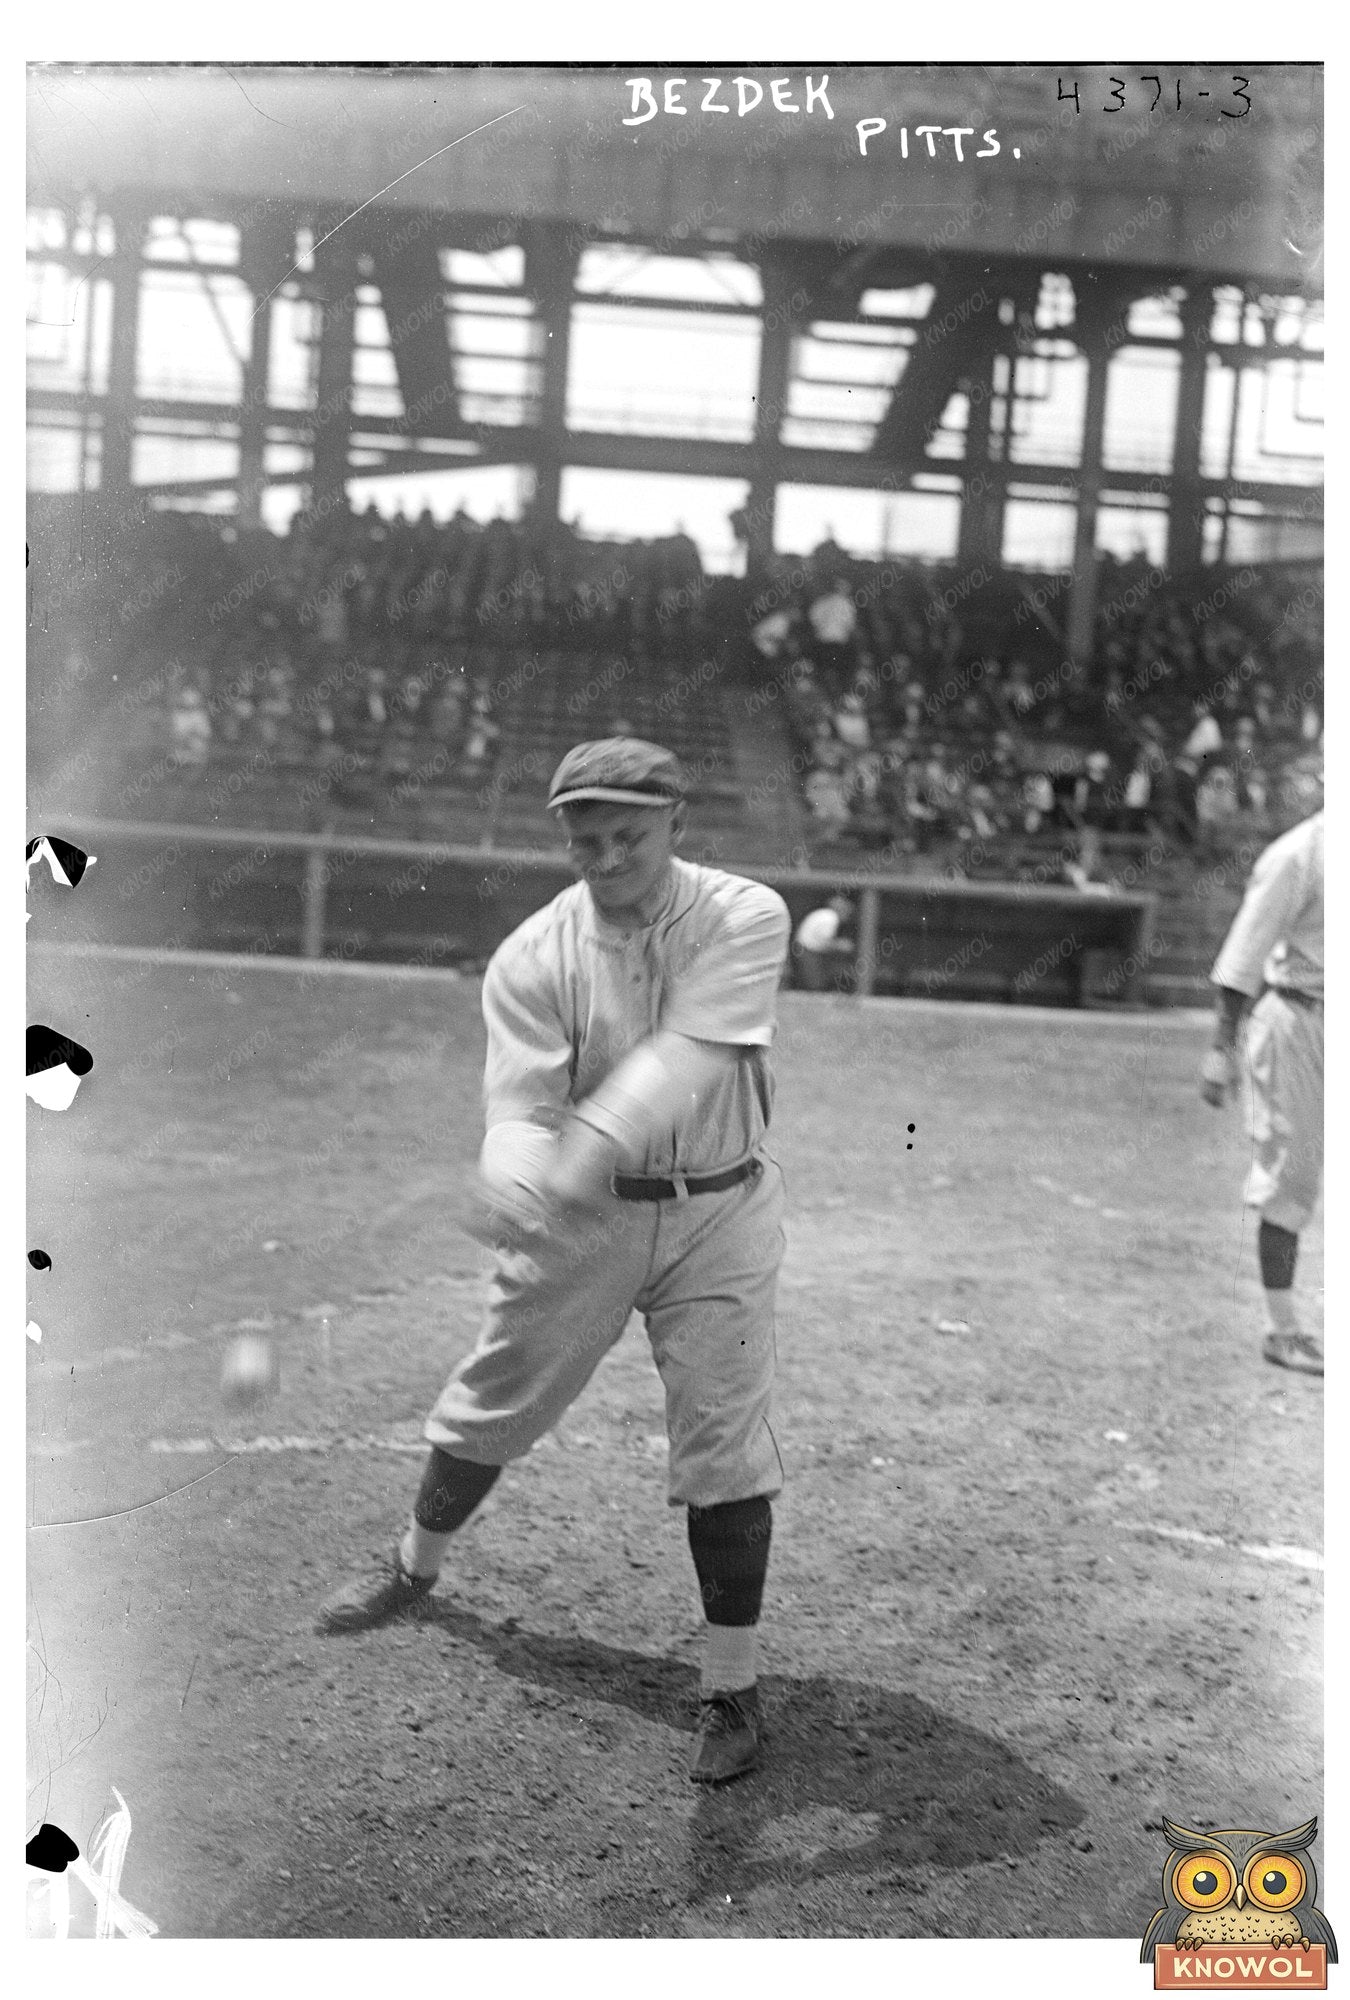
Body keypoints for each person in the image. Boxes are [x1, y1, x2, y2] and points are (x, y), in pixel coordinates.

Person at [317, 739, 792, 1785]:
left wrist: (576, 1151)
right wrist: (522, 1175)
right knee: (495, 1394)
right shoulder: (533, 953)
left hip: (722, 1206)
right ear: (563, 836)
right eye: (588, 839)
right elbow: (519, 1108)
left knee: (724, 1439)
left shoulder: (747, 913)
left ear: (677, 822)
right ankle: (414, 1567)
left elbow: (694, 1049)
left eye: (632, 834)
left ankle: (732, 1684)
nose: (610, 855)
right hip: (591, 1222)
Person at [1200, 761, 1324, 1373]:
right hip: (1298, 1022)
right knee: (1292, 1174)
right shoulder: (1300, 852)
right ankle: (1283, 1329)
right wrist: (1220, 1050)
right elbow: (1243, 955)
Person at [792, 895, 854, 991]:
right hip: (806, 949)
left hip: (806, 949)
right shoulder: (831, 917)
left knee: (816, 981)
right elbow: (824, 941)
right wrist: (841, 945)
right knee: (814, 984)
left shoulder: (825, 914)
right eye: (847, 911)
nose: (848, 915)